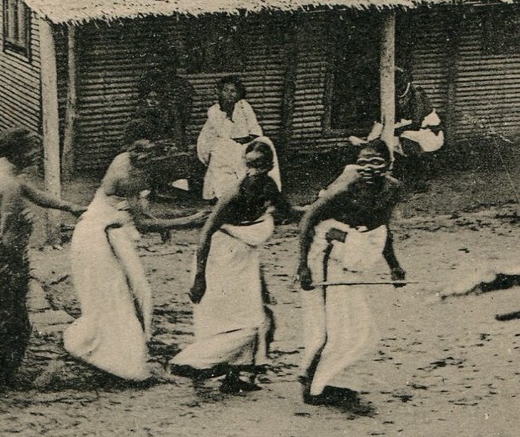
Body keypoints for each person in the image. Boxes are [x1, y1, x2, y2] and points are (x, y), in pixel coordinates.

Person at [64, 141, 207, 382]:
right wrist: (189, 220)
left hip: (95, 232)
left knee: (122, 294)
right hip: (100, 240)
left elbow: (135, 213)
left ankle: (112, 345)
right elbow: (143, 223)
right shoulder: (133, 179)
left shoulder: (124, 159)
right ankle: (123, 358)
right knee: (125, 295)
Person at [171, 140, 296, 392]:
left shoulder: (269, 187)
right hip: (221, 256)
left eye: (260, 165)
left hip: (244, 257)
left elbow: (289, 211)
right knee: (239, 320)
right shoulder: (235, 192)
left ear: (270, 165)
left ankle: (238, 376)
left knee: (258, 314)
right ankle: (195, 360)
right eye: (249, 165)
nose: (254, 171)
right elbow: (206, 234)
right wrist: (199, 277)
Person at [0, 129, 84, 386]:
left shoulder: (1, 169)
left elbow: (30, 192)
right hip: (1, 258)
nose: (36, 156)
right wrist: (24, 231)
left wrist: (67, 206)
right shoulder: (10, 185)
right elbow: (9, 235)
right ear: (16, 152)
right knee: (10, 318)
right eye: (32, 151)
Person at [296, 137, 407, 408]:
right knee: (335, 326)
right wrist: (302, 266)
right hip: (327, 257)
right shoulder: (347, 187)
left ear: (389, 165)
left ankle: (335, 382)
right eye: (362, 162)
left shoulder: (392, 190)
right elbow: (308, 219)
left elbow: (381, 227)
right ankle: (314, 387)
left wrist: (393, 265)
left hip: (355, 258)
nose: (368, 169)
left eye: (376, 162)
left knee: (360, 329)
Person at [196, 77, 282, 201]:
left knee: (266, 142)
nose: (229, 94)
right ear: (219, 92)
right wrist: (228, 114)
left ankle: (269, 190)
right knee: (226, 148)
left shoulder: (244, 106)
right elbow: (224, 133)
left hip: (244, 141)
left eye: (233, 91)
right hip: (216, 143)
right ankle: (225, 193)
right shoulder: (214, 111)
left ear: (238, 93)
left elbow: (254, 127)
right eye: (225, 90)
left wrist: (250, 139)